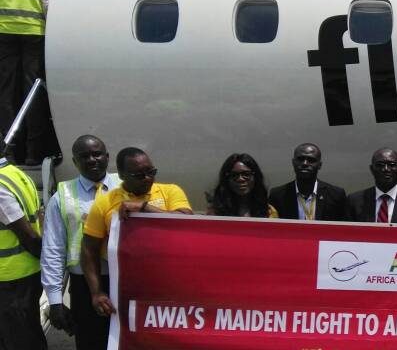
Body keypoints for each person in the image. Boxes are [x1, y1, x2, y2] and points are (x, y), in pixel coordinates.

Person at [80, 147, 192, 319]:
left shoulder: (170, 191)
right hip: (125, 284)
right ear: (122, 175)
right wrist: (96, 292)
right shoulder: (104, 202)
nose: (148, 178)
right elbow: (88, 250)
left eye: (151, 172)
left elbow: (187, 221)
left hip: (171, 281)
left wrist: (144, 207)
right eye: (139, 175)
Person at [40, 135, 120, 349]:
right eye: (84, 156)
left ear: (107, 157)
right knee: (90, 342)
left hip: (124, 281)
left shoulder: (125, 187)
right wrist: (55, 300)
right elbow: (53, 249)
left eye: (97, 154)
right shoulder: (62, 196)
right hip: (84, 286)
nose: (92, 160)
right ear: (74, 162)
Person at [0, 0, 60, 165]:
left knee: (5, 92)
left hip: (2, 32)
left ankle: (8, 151)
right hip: (34, 32)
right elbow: (49, 3)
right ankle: (34, 152)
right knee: (32, 91)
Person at [0, 158, 46, 349]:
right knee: (29, 331)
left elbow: (28, 235)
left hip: (11, 278)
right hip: (26, 272)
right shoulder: (14, 173)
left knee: (20, 339)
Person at [268, 143, 347, 221]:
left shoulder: (336, 195)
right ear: (293, 162)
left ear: (319, 165)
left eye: (311, 160)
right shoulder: (277, 195)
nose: (305, 163)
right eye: (300, 159)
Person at [206, 153, 277, 218]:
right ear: (226, 179)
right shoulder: (215, 213)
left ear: (256, 177)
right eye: (234, 175)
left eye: (246, 174)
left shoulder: (269, 212)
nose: (240, 179)